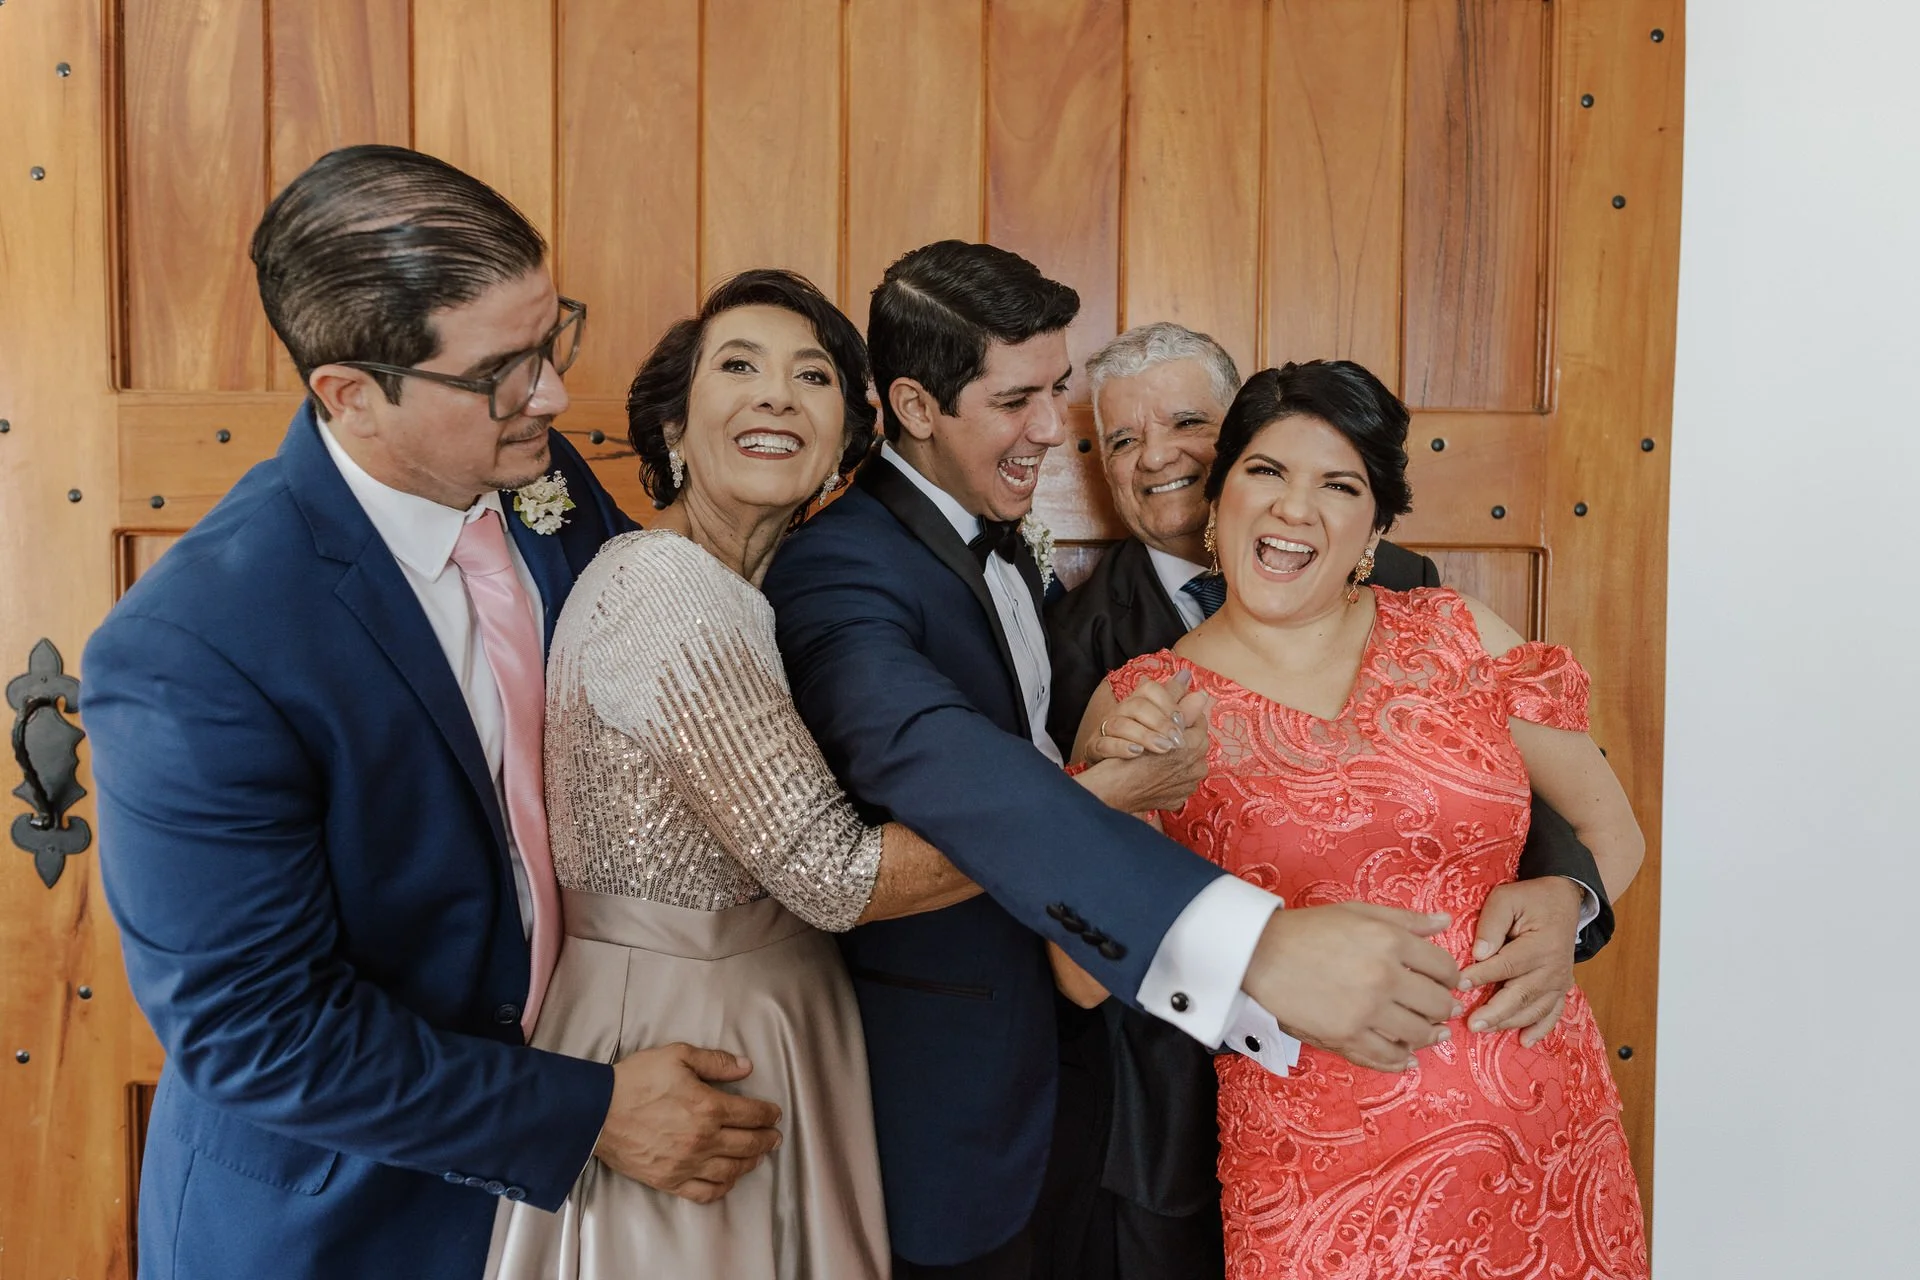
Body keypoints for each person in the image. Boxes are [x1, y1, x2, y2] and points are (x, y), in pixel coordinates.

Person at [82, 145, 780, 1280]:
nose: (551, 394)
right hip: (346, 1220)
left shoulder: (544, 479)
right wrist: (587, 1112)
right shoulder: (193, 651)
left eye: (551, 338)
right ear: (350, 394)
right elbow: (257, 1033)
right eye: (501, 370)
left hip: (588, 1188)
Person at [762, 242, 1472, 1279]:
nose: (1055, 431)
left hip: (1090, 1088)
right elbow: (951, 768)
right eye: (1019, 400)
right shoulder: (839, 567)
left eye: (1056, 391)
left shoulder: (999, 540)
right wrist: (1251, 944)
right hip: (964, 1093)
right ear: (914, 406)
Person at [1044, 324, 1617, 1279]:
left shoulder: (1459, 632)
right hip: (1316, 1161)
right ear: (1221, 494)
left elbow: (1607, 828)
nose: (1294, 506)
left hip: (1547, 1125)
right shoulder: (1141, 699)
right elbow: (1079, 973)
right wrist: (1119, 791)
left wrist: (1570, 900)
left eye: (1340, 486)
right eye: (1266, 471)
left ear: (1376, 529)